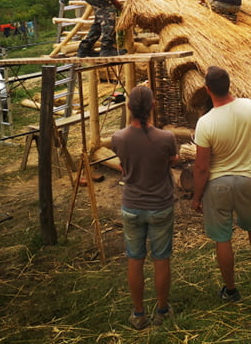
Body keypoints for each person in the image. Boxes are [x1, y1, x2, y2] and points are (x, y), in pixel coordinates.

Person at [191, 66, 251, 303]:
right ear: (230, 84)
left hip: (218, 187)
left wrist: (196, 198)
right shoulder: (250, 107)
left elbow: (202, 167)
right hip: (246, 181)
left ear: (207, 90)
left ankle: (231, 290)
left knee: (223, 238)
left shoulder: (205, 123)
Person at [109, 86, 179, 329]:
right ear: (153, 107)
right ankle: (161, 311)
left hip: (132, 207)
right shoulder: (167, 138)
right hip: (160, 206)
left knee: (135, 259)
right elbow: (172, 161)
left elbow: (124, 164)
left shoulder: (118, 138)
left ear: (128, 107)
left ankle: (139, 314)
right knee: (161, 259)